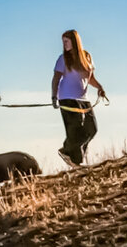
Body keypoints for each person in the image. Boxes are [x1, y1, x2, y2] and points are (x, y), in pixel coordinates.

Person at [51, 30, 106, 166]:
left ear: (75, 41)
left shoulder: (87, 56)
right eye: (63, 41)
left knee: (91, 129)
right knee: (75, 131)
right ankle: (74, 159)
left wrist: (100, 87)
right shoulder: (62, 59)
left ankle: (68, 151)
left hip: (84, 99)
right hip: (67, 98)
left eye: (66, 41)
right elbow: (56, 78)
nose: (63, 44)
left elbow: (90, 78)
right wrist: (54, 96)